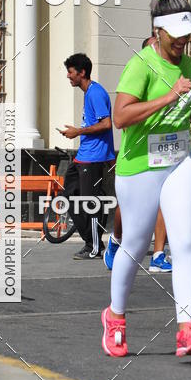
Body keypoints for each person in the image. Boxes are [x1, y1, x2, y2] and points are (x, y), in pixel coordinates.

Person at [101, 0, 191, 361]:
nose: (183, 40)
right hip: (140, 166)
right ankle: (115, 316)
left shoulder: (187, 62)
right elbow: (121, 117)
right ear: (158, 31)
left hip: (180, 159)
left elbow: (179, 113)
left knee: (184, 243)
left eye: (187, 33)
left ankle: (186, 328)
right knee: (135, 246)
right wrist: (170, 96)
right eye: (176, 34)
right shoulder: (141, 64)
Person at [104, 37, 173, 274]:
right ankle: (116, 239)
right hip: (136, 155)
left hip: (164, 150)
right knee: (128, 206)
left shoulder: (171, 76)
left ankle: (158, 255)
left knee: (164, 202)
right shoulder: (137, 74)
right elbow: (121, 118)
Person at [60, 53, 115, 260]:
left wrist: (77, 132)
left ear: (82, 72)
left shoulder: (96, 93)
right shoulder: (88, 93)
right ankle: (91, 239)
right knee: (69, 196)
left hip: (93, 158)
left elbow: (106, 124)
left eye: (71, 72)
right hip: (83, 156)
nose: (68, 76)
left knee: (90, 203)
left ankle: (94, 246)